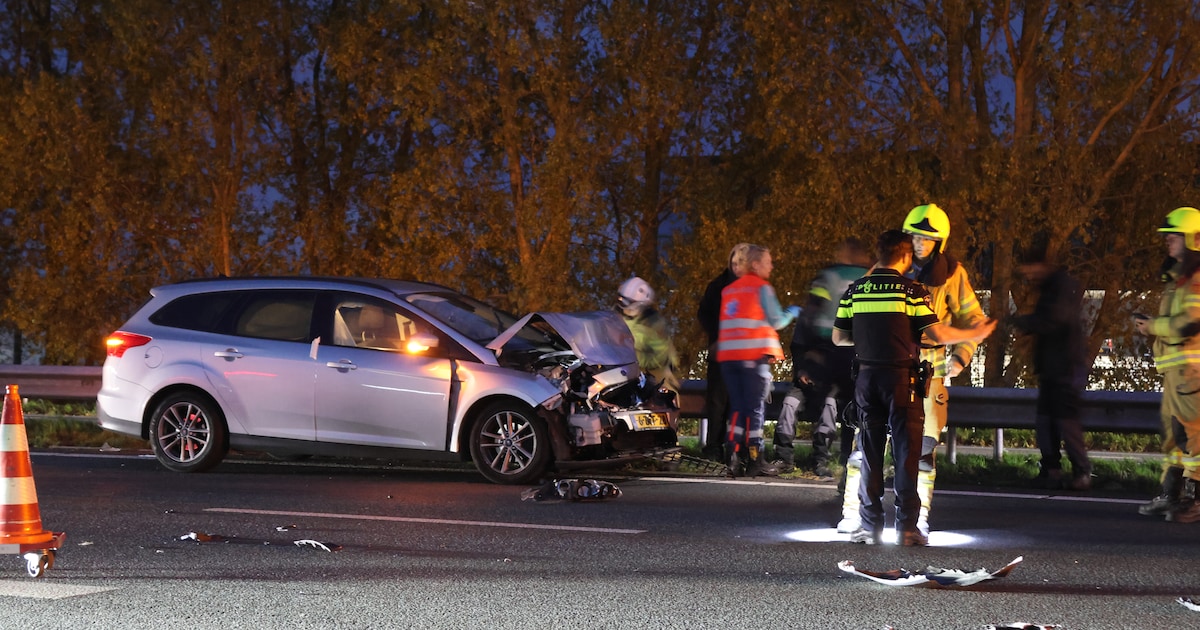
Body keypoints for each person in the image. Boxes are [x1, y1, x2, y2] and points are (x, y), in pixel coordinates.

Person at [833, 229, 995, 546]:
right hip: (901, 381)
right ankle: (907, 528)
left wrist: (871, 340)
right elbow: (935, 335)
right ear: (906, 257)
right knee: (908, 454)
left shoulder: (855, 290)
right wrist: (973, 334)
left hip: (866, 379)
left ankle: (869, 526)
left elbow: (839, 338)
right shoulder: (912, 291)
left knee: (869, 453)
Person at [772, 238, 872, 476]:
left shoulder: (828, 276)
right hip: (850, 353)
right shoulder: (869, 277)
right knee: (845, 406)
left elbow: (812, 311)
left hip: (827, 355)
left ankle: (821, 459)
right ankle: (838, 460)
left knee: (831, 403)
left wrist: (807, 365)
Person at [1134, 206, 1200, 523]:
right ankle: (1171, 495)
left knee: (1195, 436)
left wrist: (1153, 326)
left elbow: (1190, 323)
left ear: (1193, 239)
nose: (1167, 240)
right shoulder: (1179, 279)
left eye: (1174, 235)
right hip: (1177, 373)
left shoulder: (1196, 280)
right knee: (1175, 438)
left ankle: (1195, 499)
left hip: (1192, 372)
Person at [1011, 252, 1093, 490]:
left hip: (1066, 368)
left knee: (1066, 422)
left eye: (1029, 270)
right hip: (1053, 368)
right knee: (1045, 422)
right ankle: (1051, 471)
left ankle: (1081, 473)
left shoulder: (1061, 287)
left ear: (1040, 265)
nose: (1028, 276)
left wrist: (1022, 322)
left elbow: (1053, 319)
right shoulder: (1052, 287)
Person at [717, 245, 799, 477]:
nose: (771, 266)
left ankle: (733, 459)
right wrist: (793, 311)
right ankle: (756, 460)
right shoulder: (762, 288)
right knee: (754, 409)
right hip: (752, 358)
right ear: (755, 264)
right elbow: (776, 321)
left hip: (729, 359)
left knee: (738, 408)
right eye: (768, 261)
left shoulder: (729, 290)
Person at [697, 243, 751, 462]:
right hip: (722, 353)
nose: (738, 266)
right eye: (735, 262)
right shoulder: (718, 286)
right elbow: (704, 314)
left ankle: (739, 450)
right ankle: (714, 448)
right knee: (718, 404)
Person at [616, 276, 680, 392]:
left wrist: (630, 357)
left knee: (659, 396)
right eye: (620, 299)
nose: (622, 303)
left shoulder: (654, 324)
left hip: (655, 373)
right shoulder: (616, 315)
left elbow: (658, 358)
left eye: (627, 301)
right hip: (624, 369)